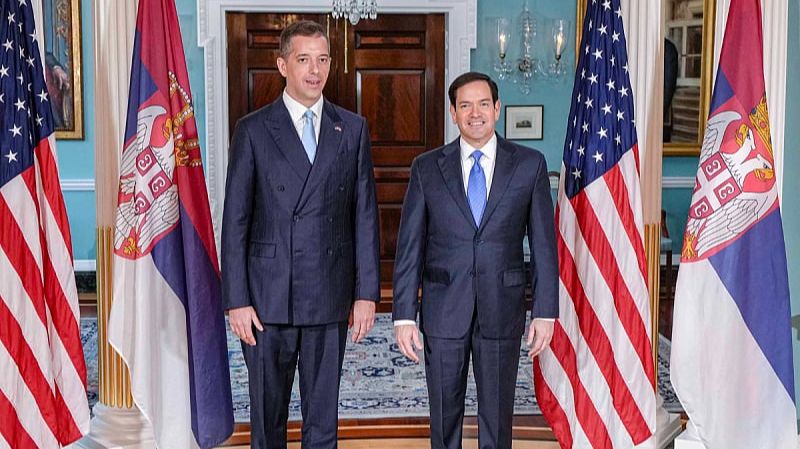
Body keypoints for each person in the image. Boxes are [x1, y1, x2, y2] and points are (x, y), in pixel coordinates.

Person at [221, 20, 380, 449]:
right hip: (267, 298)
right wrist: (236, 299)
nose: (315, 70)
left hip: (329, 295)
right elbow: (235, 220)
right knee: (267, 421)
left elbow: (365, 216)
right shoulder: (253, 130)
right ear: (282, 65)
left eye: (322, 59)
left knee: (323, 422)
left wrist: (366, 294)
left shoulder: (352, 128)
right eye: (304, 59)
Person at [392, 71, 558, 449]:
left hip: (502, 306)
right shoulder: (426, 167)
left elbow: (544, 245)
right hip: (443, 309)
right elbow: (409, 247)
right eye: (465, 105)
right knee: (444, 415)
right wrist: (404, 315)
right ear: (453, 113)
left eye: (483, 104)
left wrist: (545, 311)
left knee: (497, 417)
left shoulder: (529, 165)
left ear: (497, 109)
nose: (475, 113)